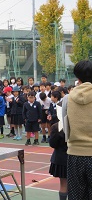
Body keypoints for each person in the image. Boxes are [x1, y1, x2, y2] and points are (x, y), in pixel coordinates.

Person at [65, 60, 92, 200]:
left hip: (74, 154)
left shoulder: (67, 98)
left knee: (76, 196)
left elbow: (65, 127)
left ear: (78, 77)